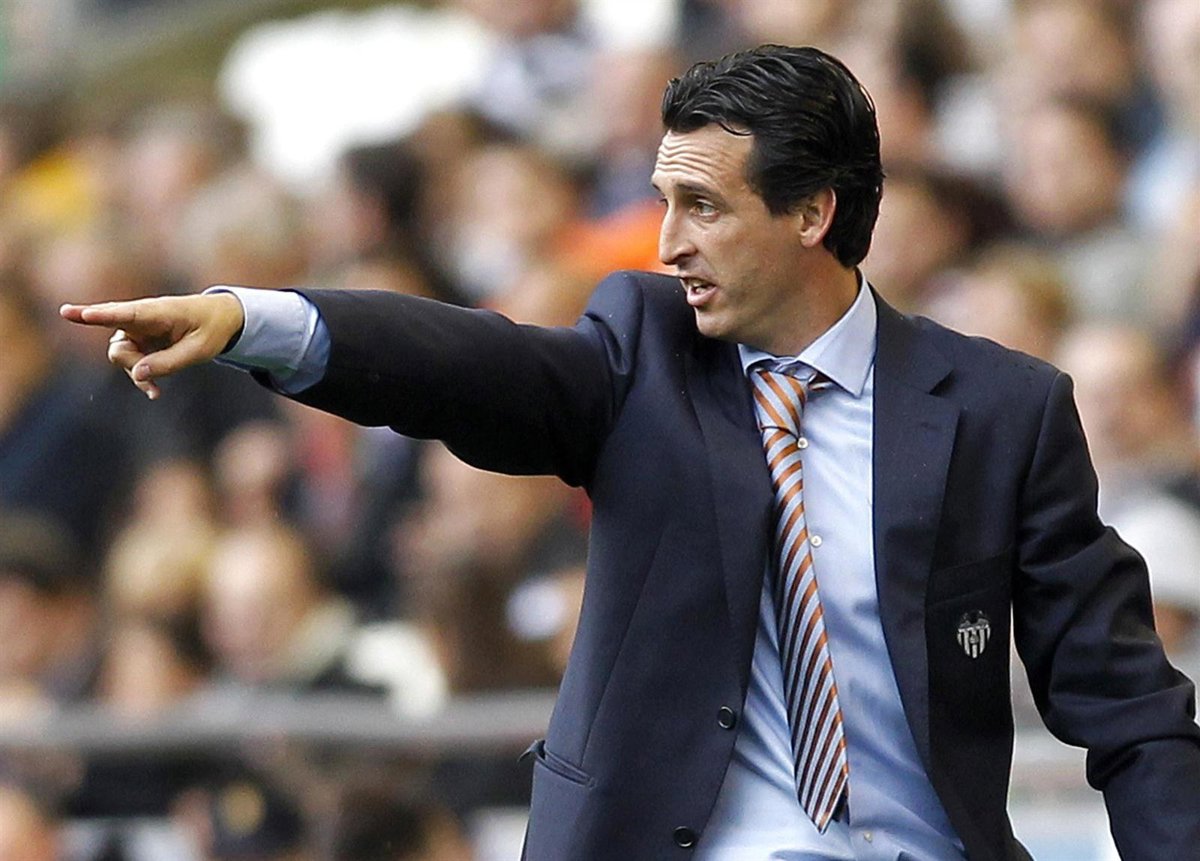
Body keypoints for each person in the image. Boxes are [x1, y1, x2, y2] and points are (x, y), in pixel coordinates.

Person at [61, 45, 1200, 860]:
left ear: (812, 213)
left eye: (702, 206)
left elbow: (1126, 704)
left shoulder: (1003, 409)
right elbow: (470, 366)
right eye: (663, 200)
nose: (667, 242)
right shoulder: (641, 351)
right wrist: (253, 321)